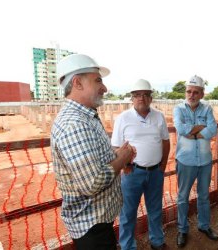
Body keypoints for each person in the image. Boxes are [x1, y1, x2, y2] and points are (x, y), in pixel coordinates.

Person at [51, 54, 135, 250]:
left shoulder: (86, 116)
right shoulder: (74, 124)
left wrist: (116, 152)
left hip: (96, 222)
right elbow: (93, 182)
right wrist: (122, 158)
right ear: (77, 83)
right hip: (91, 228)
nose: (104, 88)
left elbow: (95, 156)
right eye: (98, 80)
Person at [111, 79, 170, 250]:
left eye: (145, 95)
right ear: (132, 98)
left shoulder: (158, 116)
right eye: (137, 95)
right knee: (128, 213)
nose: (141, 98)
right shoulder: (123, 118)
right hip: (132, 173)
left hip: (155, 172)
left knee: (155, 209)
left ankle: (157, 241)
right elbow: (116, 146)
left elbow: (165, 142)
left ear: (151, 98)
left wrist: (163, 165)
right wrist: (125, 166)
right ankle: (128, 246)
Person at [173, 75, 218, 248]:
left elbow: (213, 129)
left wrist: (194, 132)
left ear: (201, 94)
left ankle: (204, 226)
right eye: (188, 91)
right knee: (183, 197)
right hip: (185, 160)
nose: (191, 95)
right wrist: (200, 128)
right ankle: (182, 229)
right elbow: (181, 129)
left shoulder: (207, 109)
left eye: (195, 92)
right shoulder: (178, 109)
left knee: (204, 196)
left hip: (205, 161)